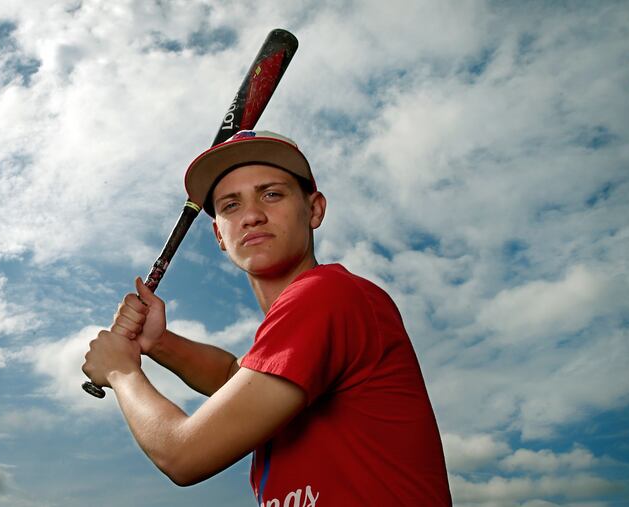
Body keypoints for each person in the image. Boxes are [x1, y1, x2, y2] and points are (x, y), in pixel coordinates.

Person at [82, 130, 452, 505]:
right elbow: (233, 375)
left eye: (271, 194)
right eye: (230, 206)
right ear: (220, 236)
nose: (252, 216)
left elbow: (183, 455)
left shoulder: (328, 295)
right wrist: (159, 342)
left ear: (315, 209)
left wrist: (121, 371)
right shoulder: (302, 320)